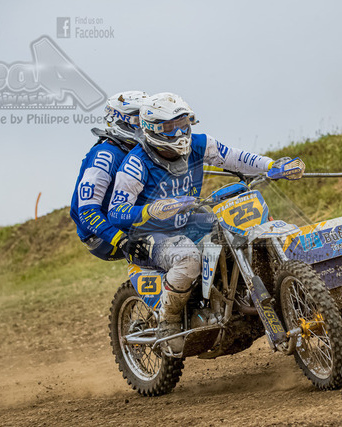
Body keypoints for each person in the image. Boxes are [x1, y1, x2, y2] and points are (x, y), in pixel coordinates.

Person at [107, 92, 305, 352]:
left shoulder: (200, 144)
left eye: (182, 124)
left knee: (239, 228)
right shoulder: (136, 163)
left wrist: (271, 166)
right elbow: (116, 212)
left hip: (188, 221)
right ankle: (169, 321)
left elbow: (234, 157)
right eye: (169, 127)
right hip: (149, 235)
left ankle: (248, 294)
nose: (179, 133)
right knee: (188, 258)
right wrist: (151, 210)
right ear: (152, 129)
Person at [70, 91, 150, 261]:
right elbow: (87, 211)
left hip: (125, 221)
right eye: (139, 121)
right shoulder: (106, 156)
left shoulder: (134, 150)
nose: (146, 127)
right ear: (120, 121)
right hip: (103, 236)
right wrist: (121, 240)